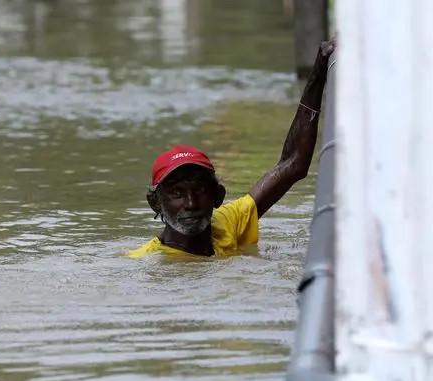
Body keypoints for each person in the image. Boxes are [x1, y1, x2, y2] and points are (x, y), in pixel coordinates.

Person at [128, 38, 337, 259]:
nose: (190, 204)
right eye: (176, 193)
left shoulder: (228, 223)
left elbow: (293, 164)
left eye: (199, 191)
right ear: (155, 203)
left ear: (218, 196)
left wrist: (319, 71)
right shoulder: (148, 261)